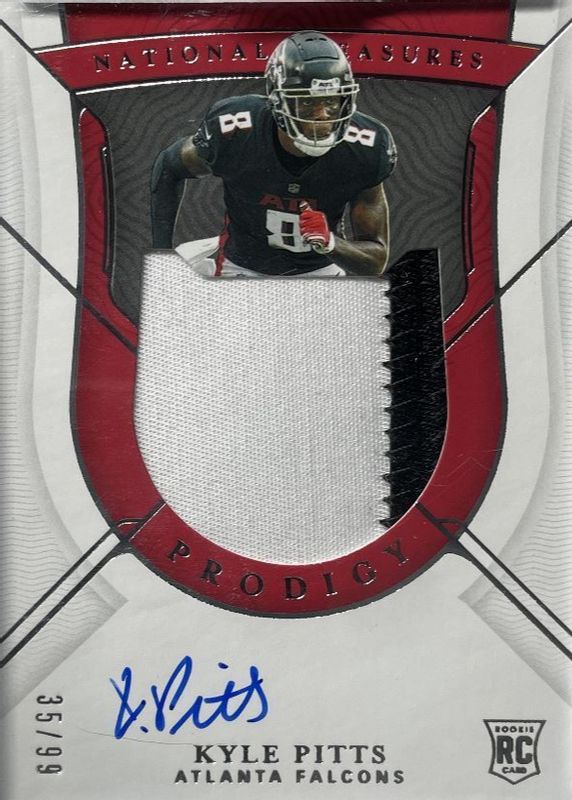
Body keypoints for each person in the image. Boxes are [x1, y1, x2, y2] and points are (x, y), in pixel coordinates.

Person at [150, 30, 397, 277]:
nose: (322, 115)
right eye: (307, 102)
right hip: (241, 268)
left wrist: (331, 243)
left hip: (320, 270)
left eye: (331, 102)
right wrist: (163, 256)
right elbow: (169, 165)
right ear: (277, 100)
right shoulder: (237, 130)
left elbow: (375, 261)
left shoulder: (364, 147)